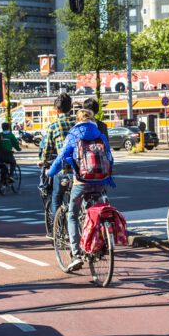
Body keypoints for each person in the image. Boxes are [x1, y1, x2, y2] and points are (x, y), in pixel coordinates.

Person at [47, 109, 115, 272]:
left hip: (82, 181)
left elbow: (62, 157)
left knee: (72, 214)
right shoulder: (100, 135)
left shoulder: (73, 135)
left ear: (77, 120)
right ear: (92, 120)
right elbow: (110, 158)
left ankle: (76, 255)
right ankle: (101, 243)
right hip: (100, 181)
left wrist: (50, 172)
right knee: (98, 213)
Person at [40, 93, 75, 219]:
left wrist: (43, 161)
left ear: (57, 110)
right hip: (78, 169)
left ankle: (58, 225)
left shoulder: (53, 126)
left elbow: (47, 148)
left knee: (56, 196)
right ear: (70, 107)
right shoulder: (77, 123)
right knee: (76, 198)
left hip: (62, 169)